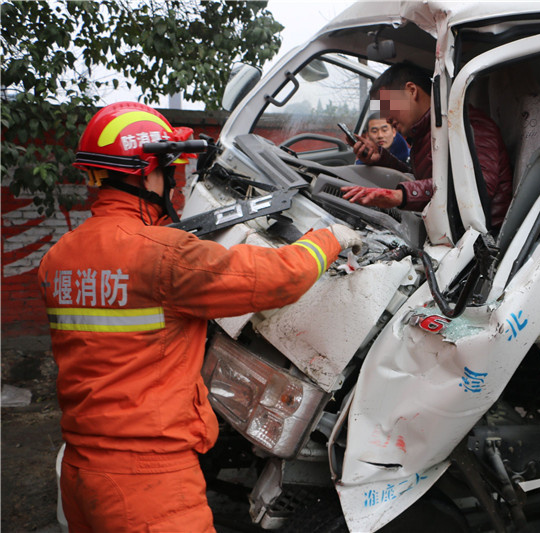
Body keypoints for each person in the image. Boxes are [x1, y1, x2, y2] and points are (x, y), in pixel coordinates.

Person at [38, 102, 361, 533]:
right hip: (148, 487)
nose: (174, 184)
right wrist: (329, 237)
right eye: (170, 171)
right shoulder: (162, 256)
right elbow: (277, 277)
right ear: (146, 173)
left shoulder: (58, 259)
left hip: (81, 472)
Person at [342, 62, 513, 229]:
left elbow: (476, 187)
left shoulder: (467, 126)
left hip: (482, 237)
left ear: (411, 91)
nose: (386, 117)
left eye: (387, 105)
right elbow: (422, 178)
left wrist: (401, 195)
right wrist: (380, 159)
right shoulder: (426, 132)